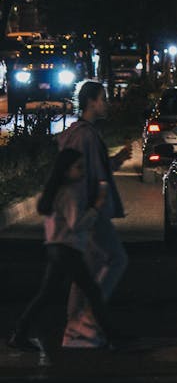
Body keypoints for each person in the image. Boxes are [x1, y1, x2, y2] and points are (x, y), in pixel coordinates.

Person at [7, 149, 116, 351]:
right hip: (67, 250)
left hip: (55, 248)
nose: (82, 171)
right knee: (92, 292)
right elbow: (78, 224)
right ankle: (112, 338)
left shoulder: (55, 191)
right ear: (66, 170)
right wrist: (97, 206)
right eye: (78, 167)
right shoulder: (69, 193)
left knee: (46, 294)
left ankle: (19, 334)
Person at [57, 80, 132, 348]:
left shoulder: (78, 133)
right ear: (91, 102)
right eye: (103, 98)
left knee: (86, 269)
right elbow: (86, 174)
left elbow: (91, 167)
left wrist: (118, 159)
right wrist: (95, 205)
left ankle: (73, 328)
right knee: (116, 259)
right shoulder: (86, 135)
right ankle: (86, 320)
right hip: (91, 210)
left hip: (82, 211)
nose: (107, 103)